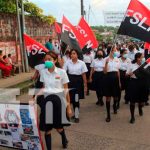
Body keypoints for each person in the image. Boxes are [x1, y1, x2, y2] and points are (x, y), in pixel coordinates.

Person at [33, 54, 72, 150]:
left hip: (58, 101)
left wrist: (68, 107)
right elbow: (43, 87)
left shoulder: (62, 72)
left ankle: (64, 137)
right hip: (47, 101)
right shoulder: (43, 72)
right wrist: (34, 97)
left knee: (59, 127)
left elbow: (66, 90)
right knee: (47, 129)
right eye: (45, 59)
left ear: (54, 60)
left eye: (49, 59)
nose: (47, 61)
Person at [64, 49, 88, 123]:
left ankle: (76, 115)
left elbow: (84, 75)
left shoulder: (82, 63)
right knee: (69, 99)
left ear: (77, 54)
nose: (72, 55)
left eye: (74, 53)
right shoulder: (67, 62)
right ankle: (67, 115)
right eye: (71, 54)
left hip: (78, 82)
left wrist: (85, 85)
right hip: (69, 81)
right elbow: (63, 72)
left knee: (76, 100)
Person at [126, 53, 149, 124]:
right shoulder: (131, 65)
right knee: (132, 101)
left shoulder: (145, 65)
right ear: (137, 58)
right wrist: (129, 74)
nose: (142, 59)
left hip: (143, 84)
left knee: (141, 100)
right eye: (141, 58)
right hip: (134, 83)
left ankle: (140, 108)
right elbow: (126, 74)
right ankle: (132, 116)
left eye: (143, 58)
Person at [103, 46, 121, 122]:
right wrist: (106, 63)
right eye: (114, 50)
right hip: (108, 78)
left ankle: (114, 106)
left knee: (116, 97)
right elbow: (105, 72)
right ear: (110, 51)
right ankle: (108, 115)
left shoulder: (117, 59)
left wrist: (119, 81)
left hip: (115, 79)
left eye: (116, 50)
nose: (115, 52)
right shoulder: (105, 59)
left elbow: (118, 71)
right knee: (108, 97)